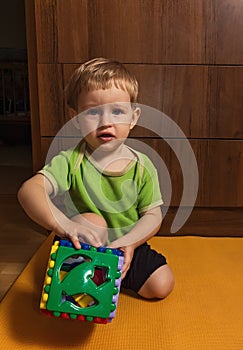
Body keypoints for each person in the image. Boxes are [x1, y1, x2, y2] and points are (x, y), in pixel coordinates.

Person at [18, 57, 174, 300]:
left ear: (133, 117)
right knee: (94, 221)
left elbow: (153, 215)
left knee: (162, 285)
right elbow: (29, 190)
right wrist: (65, 225)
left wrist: (130, 243)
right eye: (93, 112)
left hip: (124, 245)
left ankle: (108, 278)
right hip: (81, 243)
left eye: (117, 111)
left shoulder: (143, 165)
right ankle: (75, 274)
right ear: (76, 119)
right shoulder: (70, 160)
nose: (106, 122)